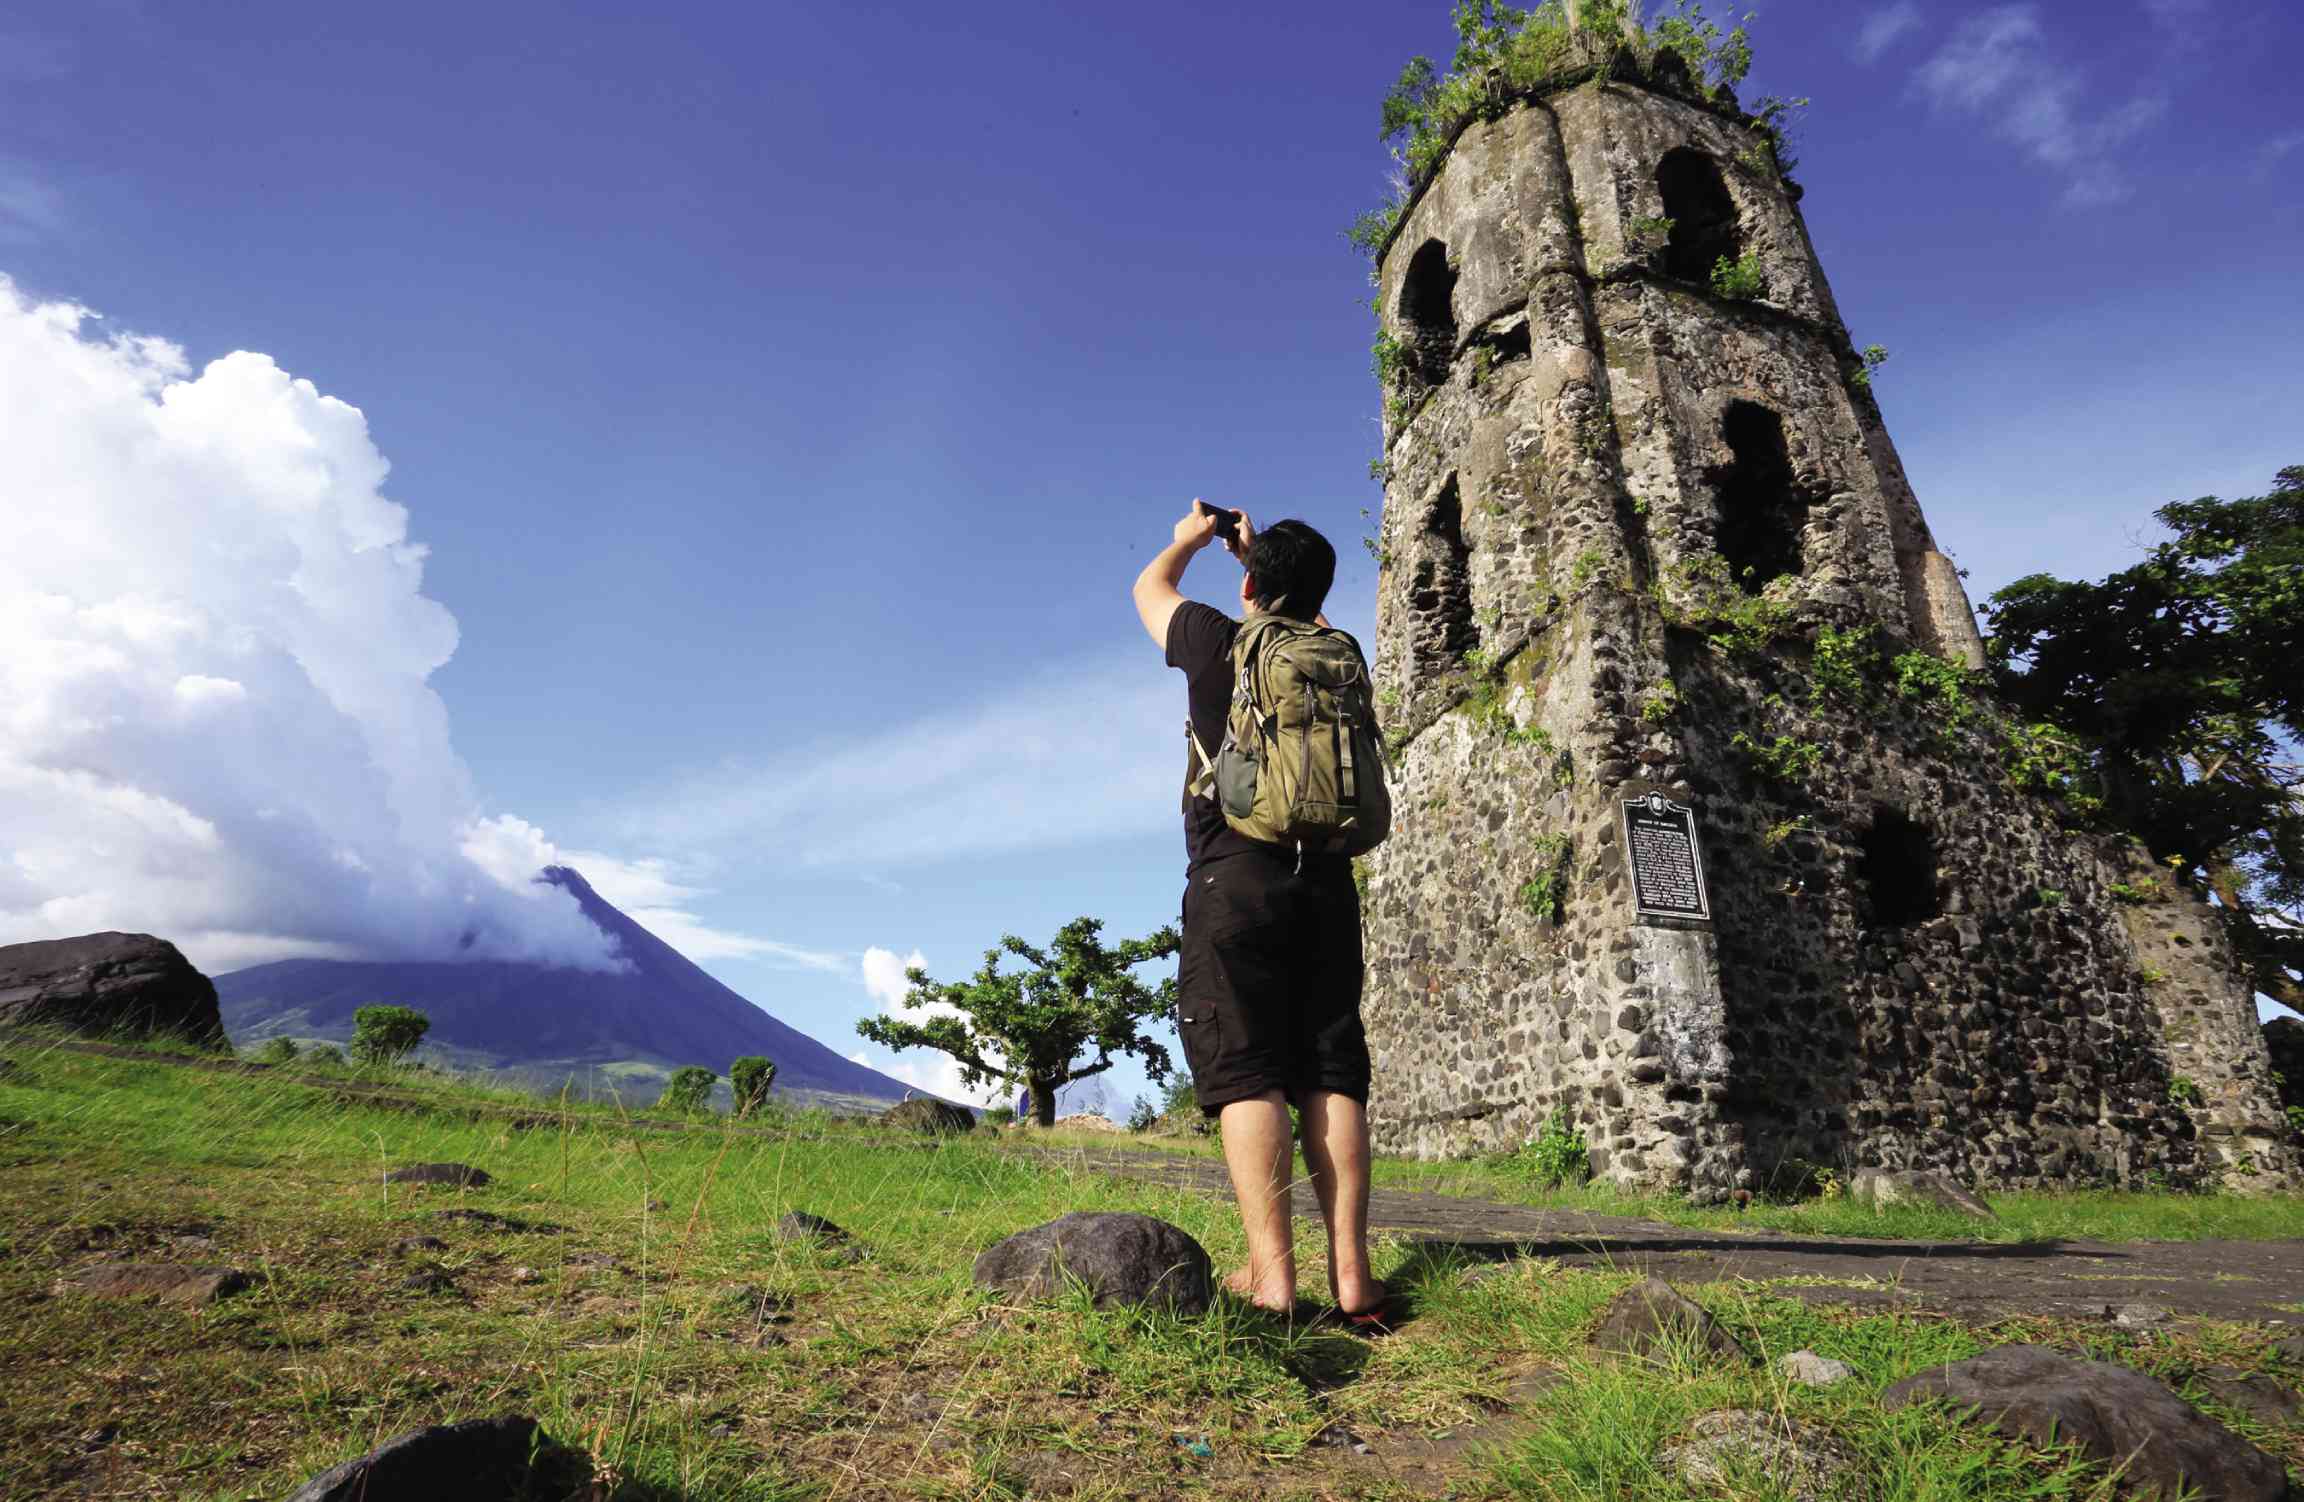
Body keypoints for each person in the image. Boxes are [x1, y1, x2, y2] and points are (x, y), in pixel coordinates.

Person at [1130, 500, 1382, 1321]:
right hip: (1329, 882)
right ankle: (1355, 1279)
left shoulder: (1216, 640)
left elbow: (1148, 588)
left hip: (1235, 874)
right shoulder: (1338, 652)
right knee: (1330, 1070)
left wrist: (1191, 541)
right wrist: (1272, 561)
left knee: (1248, 1072)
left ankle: (1273, 1280)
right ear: (1320, 594)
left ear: (1246, 584)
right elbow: (1301, 615)